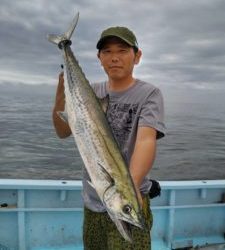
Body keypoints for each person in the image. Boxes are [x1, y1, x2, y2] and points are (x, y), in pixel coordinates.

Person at [52, 26, 165, 250]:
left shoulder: (149, 94)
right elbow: (63, 132)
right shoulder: (90, 92)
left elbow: (146, 140)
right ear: (99, 58)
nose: (114, 58)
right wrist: (61, 92)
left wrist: (128, 188)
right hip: (93, 204)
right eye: (107, 52)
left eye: (122, 50)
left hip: (132, 198)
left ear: (137, 56)